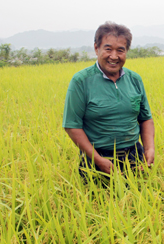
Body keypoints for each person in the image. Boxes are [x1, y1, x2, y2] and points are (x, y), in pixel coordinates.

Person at [63, 22, 155, 180]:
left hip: (134, 157)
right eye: (108, 49)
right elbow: (72, 126)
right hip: (97, 158)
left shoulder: (134, 80)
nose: (114, 56)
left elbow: (145, 118)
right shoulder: (81, 81)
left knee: (139, 199)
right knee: (98, 202)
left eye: (120, 50)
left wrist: (150, 148)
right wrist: (98, 160)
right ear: (96, 48)